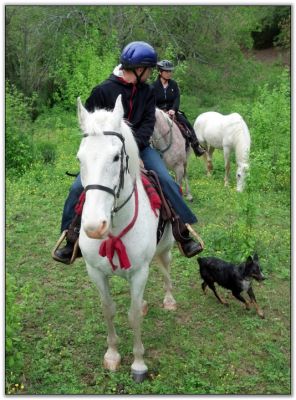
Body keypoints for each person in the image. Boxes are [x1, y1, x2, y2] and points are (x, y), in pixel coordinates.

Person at [53, 41, 203, 264]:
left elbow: (148, 123)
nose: (151, 73)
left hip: (141, 148)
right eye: (149, 69)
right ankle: (70, 237)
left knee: (166, 180)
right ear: (138, 68)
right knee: (77, 187)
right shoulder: (102, 91)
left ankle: (182, 231)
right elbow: (91, 128)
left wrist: (133, 148)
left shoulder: (147, 92)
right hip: (106, 154)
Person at [152, 60, 205, 156]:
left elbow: (177, 98)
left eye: (170, 71)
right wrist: (161, 112)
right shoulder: (153, 86)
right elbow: (152, 102)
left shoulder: (173, 84)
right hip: (158, 113)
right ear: (160, 72)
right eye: (166, 71)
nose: (169, 73)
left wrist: (173, 109)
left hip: (172, 111)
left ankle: (196, 145)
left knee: (186, 123)